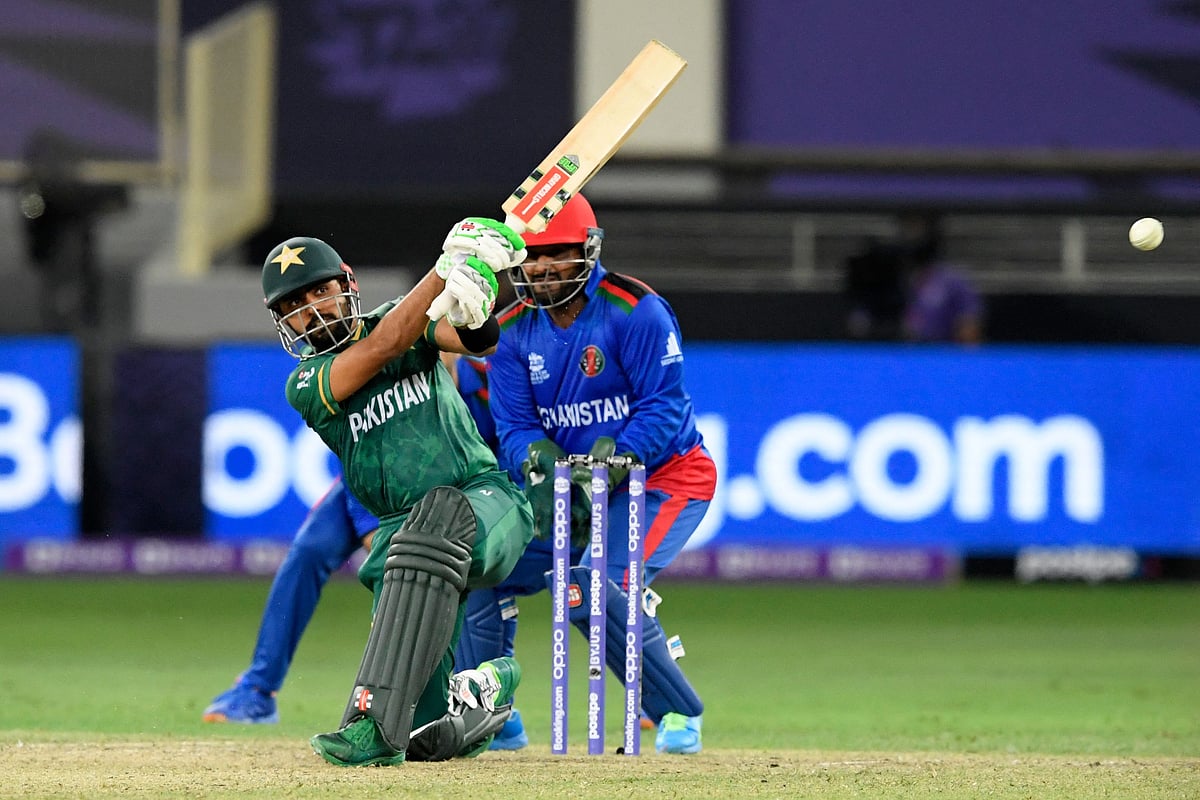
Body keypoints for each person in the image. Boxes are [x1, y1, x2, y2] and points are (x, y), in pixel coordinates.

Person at [257, 219, 534, 766]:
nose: (312, 309)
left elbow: (478, 340)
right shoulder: (307, 384)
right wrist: (441, 272)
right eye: (295, 305)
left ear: (346, 284)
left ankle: (366, 724)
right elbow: (385, 345)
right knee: (425, 735)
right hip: (404, 541)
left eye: (320, 290)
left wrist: (476, 301)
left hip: (485, 502)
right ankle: (487, 687)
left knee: (435, 521)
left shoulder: (403, 321)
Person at [202, 354, 531, 750]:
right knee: (309, 551)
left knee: (459, 562)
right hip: (383, 488)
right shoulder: (401, 361)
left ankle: (488, 702)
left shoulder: (489, 381)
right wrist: (374, 531)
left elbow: (507, 450)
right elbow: (362, 454)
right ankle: (258, 690)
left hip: (462, 489)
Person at [486, 193, 715, 755]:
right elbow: (514, 426)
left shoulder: (634, 310)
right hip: (570, 491)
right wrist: (538, 465)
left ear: (587, 251)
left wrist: (614, 465)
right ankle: (493, 717)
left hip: (662, 480)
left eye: (556, 254)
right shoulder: (512, 329)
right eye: (530, 256)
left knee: (589, 588)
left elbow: (662, 406)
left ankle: (677, 713)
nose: (540, 268)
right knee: (481, 569)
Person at [898, 214, 984, 344]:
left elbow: (969, 327)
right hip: (910, 353)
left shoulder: (952, 281)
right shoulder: (906, 279)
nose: (912, 241)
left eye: (917, 234)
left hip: (943, 353)